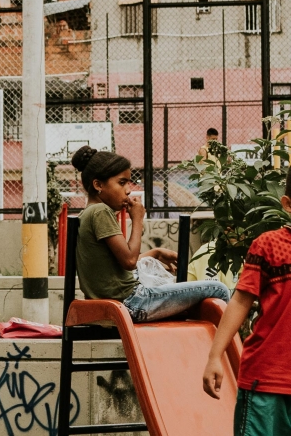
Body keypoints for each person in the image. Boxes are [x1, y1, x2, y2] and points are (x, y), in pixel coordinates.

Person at [71, 146, 230, 322]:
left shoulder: (85, 214)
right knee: (218, 289)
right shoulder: (100, 211)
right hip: (133, 303)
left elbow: (113, 265)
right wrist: (138, 219)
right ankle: (224, 345)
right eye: (122, 183)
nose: (128, 190)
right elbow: (129, 261)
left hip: (120, 303)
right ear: (98, 185)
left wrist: (154, 253)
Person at [202, 165, 291, 434]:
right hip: (265, 382)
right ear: (287, 204)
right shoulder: (268, 245)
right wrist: (215, 356)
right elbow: (240, 302)